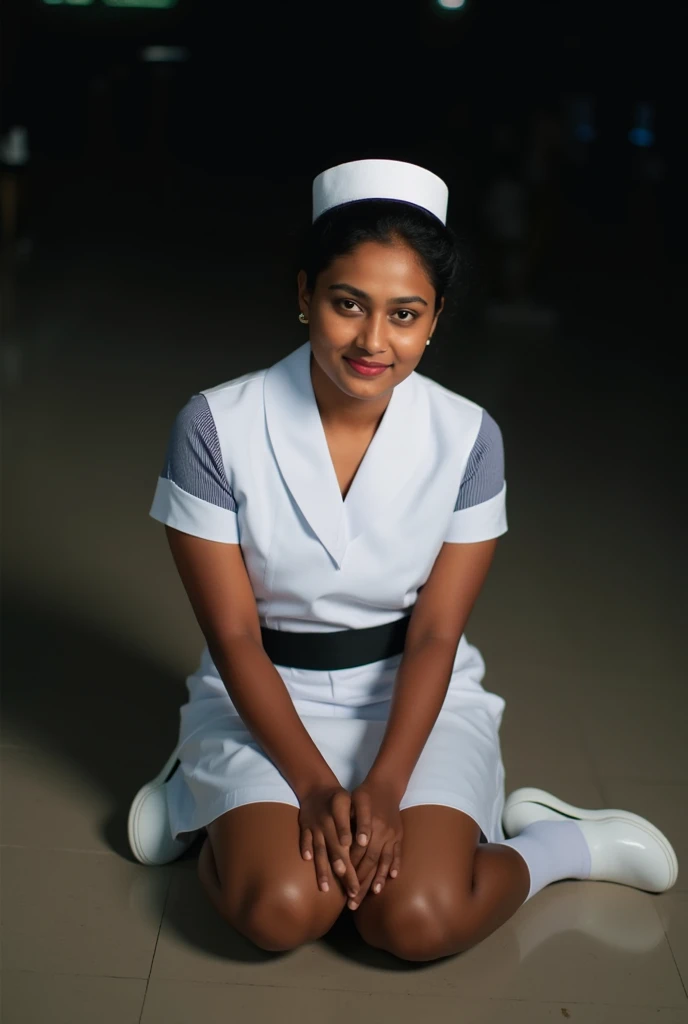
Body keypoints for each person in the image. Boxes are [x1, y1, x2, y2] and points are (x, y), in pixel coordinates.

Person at [128, 159, 678, 962]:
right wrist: (317, 791)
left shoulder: (468, 438)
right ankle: (198, 790)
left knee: (411, 919)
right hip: (261, 692)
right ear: (305, 294)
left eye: (404, 314)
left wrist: (383, 789)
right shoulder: (215, 424)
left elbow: (433, 635)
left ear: (435, 318)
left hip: (414, 695)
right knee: (284, 909)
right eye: (347, 304)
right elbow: (237, 637)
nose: (373, 341)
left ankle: (560, 847)